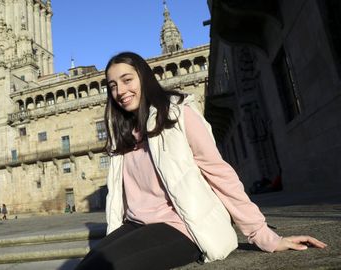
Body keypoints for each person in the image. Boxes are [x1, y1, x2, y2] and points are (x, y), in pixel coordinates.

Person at [75, 52, 326, 270]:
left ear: (144, 77)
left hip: (182, 225)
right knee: (86, 266)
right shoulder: (123, 135)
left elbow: (219, 173)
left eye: (127, 80)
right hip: (136, 225)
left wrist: (262, 234)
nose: (120, 91)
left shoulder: (178, 115)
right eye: (112, 86)